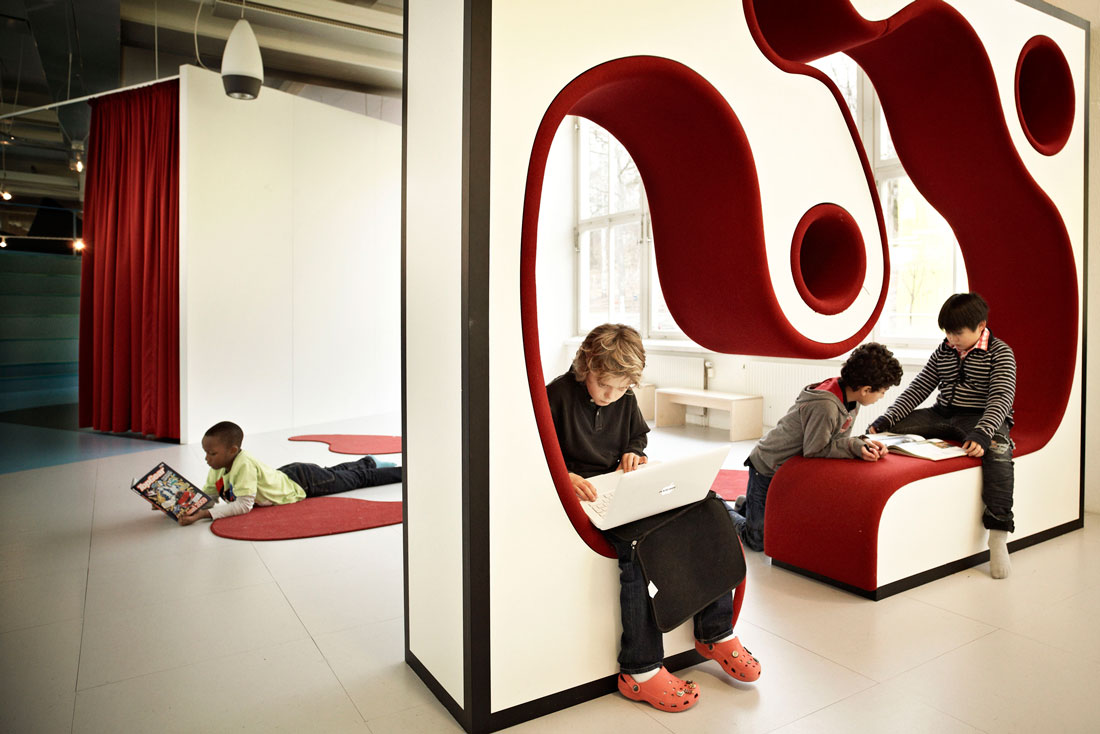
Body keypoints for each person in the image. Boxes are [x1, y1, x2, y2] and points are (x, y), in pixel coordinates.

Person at [547, 323, 760, 714]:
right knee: (639, 545)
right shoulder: (556, 396)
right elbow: (539, 453)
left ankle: (716, 631)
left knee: (709, 509)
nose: (611, 396)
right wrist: (565, 476)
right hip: (583, 496)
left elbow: (637, 438)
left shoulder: (624, 397)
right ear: (585, 366)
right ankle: (640, 669)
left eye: (621, 388)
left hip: (623, 485)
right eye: (603, 385)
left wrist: (634, 452)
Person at [868, 292, 1015, 579]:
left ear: (981, 326)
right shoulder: (944, 350)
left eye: (957, 333)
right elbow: (919, 387)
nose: (951, 338)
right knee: (885, 429)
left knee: (998, 452)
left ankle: (998, 535)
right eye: (947, 332)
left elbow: (1001, 398)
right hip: (942, 414)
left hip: (981, 418)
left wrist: (983, 433)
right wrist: (889, 417)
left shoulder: (1000, 353)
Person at [730, 342, 903, 553]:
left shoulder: (850, 397)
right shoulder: (826, 406)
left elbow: (835, 440)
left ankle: (748, 505)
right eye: (883, 392)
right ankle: (720, 508)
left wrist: (863, 443)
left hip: (788, 468)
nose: (882, 397)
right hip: (767, 465)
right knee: (757, 541)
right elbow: (816, 449)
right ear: (866, 390)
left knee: (778, 526)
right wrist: (853, 445)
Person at [178, 421, 402, 526]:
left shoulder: (243, 465)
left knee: (357, 480)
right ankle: (370, 461)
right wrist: (183, 506)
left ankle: (402, 472)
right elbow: (210, 497)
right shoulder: (217, 468)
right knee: (334, 474)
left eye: (212, 453)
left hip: (304, 483)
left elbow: (244, 505)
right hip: (291, 475)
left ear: (232, 451)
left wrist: (203, 515)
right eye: (205, 453)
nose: (207, 459)